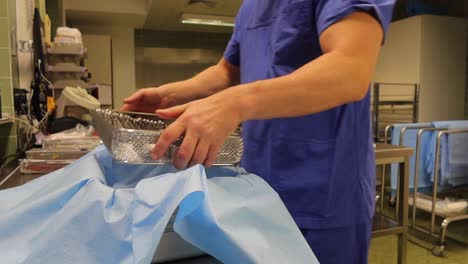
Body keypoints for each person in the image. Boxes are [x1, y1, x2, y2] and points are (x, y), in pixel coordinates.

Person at [122, 0, 395, 263]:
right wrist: (169, 95)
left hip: (325, 195)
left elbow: (350, 69)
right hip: (258, 190)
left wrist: (233, 103)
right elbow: (227, 71)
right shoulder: (251, 5)